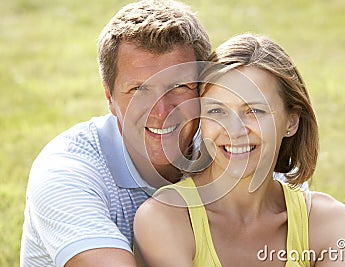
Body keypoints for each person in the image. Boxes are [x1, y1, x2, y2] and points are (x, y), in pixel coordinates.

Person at [133, 33, 345, 266]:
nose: (234, 130)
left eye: (254, 111)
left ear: (291, 122)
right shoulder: (165, 218)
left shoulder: (327, 221)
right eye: (216, 111)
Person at [19, 0, 211, 266]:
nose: (161, 110)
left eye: (179, 85)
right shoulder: (66, 172)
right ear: (109, 97)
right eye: (139, 90)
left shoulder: (228, 149)